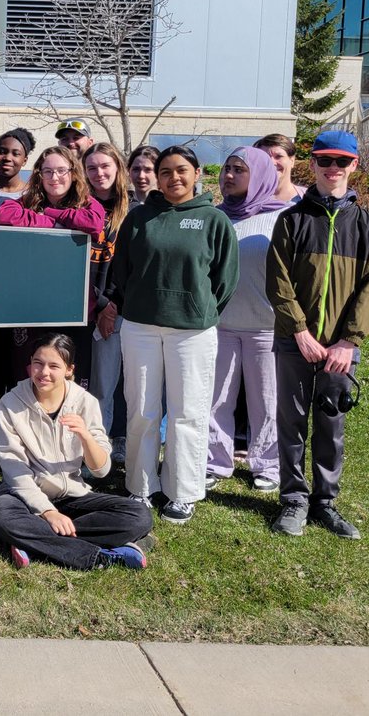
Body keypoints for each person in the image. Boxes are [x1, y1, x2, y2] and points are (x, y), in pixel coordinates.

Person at [109, 146, 239, 525]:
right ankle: (140, 486)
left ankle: (183, 491)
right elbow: (123, 271)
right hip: (141, 328)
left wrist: (196, 308)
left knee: (188, 412)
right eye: (165, 171)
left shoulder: (213, 220)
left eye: (181, 170)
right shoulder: (139, 219)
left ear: (197, 172)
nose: (173, 178)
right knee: (143, 409)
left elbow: (224, 281)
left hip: (192, 333)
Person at [267, 130, 369, 540]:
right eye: (325, 160)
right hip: (294, 342)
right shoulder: (292, 220)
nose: (333, 169)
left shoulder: (367, 225)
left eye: (342, 162)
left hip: (340, 348)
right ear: (312, 164)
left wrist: (348, 342)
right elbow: (278, 282)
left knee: (331, 422)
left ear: (353, 166)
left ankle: (324, 502)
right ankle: (294, 499)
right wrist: (299, 332)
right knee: (291, 420)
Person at [0, 334, 154, 570]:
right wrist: (47, 512)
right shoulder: (10, 403)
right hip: (25, 497)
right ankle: (97, 554)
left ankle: (32, 541)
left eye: (54, 366)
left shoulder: (85, 402)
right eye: (38, 363)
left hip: (72, 496)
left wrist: (85, 436)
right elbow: (15, 470)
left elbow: (101, 470)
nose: (43, 372)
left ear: (68, 369)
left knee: (139, 515)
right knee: (0, 512)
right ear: (29, 364)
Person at [205, 147, 290, 495]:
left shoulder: (283, 216)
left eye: (239, 170)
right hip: (220, 325)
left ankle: (268, 464)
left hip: (266, 327)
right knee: (217, 398)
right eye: (226, 169)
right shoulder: (215, 216)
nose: (228, 175)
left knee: (267, 401)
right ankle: (215, 461)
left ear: (260, 174)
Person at [0, 146, 106, 388]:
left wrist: (53, 213)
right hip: (33, 309)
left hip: (74, 310)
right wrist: (51, 221)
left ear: (74, 173)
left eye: (61, 171)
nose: (55, 177)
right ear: (39, 175)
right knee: (30, 380)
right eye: (48, 171)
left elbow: (94, 224)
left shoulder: (87, 203)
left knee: (71, 382)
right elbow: (5, 216)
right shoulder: (27, 202)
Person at [82, 143, 131, 462]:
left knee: (126, 384)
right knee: (98, 385)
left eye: (105, 166)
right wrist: (100, 305)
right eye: (92, 168)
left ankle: (123, 440)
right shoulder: (80, 207)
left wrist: (112, 305)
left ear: (117, 168)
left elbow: (131, 264)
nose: (99, 173)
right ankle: (96, 449)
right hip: (89, 305)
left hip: (121, 307)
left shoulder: (132, 210)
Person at [254, 133, 307, 204]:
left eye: (278, 156)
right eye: (265, 157)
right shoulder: (246, 202)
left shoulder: (309, 199)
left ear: (292, 160)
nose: (272, 163)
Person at [0, 128, 35, 196]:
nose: (7, 158)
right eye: (2, 152)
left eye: (16, 153)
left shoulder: (32, 195)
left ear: (24, 161)